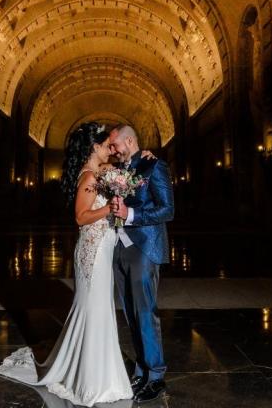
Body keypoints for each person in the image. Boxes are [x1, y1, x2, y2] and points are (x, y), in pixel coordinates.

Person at [0, 122, 133, 406]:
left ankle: (97, 371)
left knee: (99, 309)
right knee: (93, 309)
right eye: (106, 144)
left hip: (103, 250)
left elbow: (126, 166)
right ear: (93, 147)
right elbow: (81, 217)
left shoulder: (100, 172)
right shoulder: (89, 178)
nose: (110, 148)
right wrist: (109, 208)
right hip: (92, 253)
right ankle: (91, 379)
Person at [108, 125, 174, 402]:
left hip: (144, 248)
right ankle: (140, 371)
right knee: (131, 315)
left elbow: (168, 209)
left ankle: (156, 376)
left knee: (146, 313)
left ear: (130, 140)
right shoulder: (121, 169)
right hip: (121, 248)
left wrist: (131, 213)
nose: (113, 150)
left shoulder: (154, 166)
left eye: (115, 145)